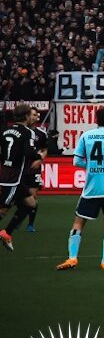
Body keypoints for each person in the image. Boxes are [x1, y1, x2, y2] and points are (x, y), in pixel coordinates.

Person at [57, 106, 104, 271]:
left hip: (91, 188)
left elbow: (76, 161)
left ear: (96, 119)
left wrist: (91, 166)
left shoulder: (87, 136)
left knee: (79, 222)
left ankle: (72, 258)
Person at [0, 105, 45, 249]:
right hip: (13, 178)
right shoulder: (27, 132)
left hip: (7, 174)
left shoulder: (5, 131)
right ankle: (6, 232)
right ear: (26, 116)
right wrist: (40, 156)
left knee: (31, 203)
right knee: (3, 210)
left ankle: (7, 233)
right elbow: (30, 152)